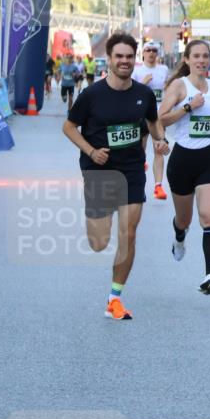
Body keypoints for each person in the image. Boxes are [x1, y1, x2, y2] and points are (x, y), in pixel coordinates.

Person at [62, 32, 170, 320]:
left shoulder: (143, 94)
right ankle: (97, 220)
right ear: (109, 59)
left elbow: (153, 121)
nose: (124, 61)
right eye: (118, 56)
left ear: (134, 60)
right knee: (99, 242)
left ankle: (115, 298)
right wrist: (91, 150)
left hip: (132, 170)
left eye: (128, 56)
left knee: (129, 233)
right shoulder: (91, 95)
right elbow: (69, 127)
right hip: (99, 171)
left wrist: (160, 139)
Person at [159, 39, 210, 294]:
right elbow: (161, 120)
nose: (201, 60)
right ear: (187, 59)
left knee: (209, 216)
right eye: (196, 56)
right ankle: (179, 236)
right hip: (182, 160)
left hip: (208, 159)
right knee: (185, 219)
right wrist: (188, 107)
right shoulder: (179, 86)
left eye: (205, 56)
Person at [132, 42, 171, 200]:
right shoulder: (137, 71)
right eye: (148, 50)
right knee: (140, 150)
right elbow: (130, 92)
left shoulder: (164, 69)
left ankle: (158, 187)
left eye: (154, 50)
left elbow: (167, 89)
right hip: (141, 115)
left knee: (159, 149)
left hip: (158, 116)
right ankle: (139, 184)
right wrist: (142, 84)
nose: (151, 53)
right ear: (143, 53)